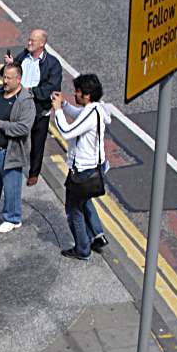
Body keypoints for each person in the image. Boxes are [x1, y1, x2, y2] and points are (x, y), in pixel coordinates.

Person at [51, 73, 111, 260]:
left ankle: (82, 249)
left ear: (87, 95)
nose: (75, 94)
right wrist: (66, 105)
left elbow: (66, 131)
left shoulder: (91, 114)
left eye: (77, 92)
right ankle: (97, 235)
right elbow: (80, 115)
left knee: (73, 209)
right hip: (96, 166)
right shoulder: (97, 109)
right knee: (85, 200)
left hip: (83, 171)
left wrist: (58, 110)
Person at [0, 63, 35, 233]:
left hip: (9, 152)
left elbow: (23, 128)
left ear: (19, 79)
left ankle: (13, 217)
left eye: (9, 78)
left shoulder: (25, 101)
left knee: (11, 187)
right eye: (4, 77)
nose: (5, 81)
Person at [4, 29, 62, 187]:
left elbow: (52, 88)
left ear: (42, 44)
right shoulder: (22, 57)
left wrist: (31, 91)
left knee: (38, 142)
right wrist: (9, 65)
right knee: (16, 137)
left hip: (39, 109)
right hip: (19, 106)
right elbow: (8, 76)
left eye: (33, 41)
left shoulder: (53, 64)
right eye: (29, 40)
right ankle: (14, 164)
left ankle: (34, 173)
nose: (29, 43)